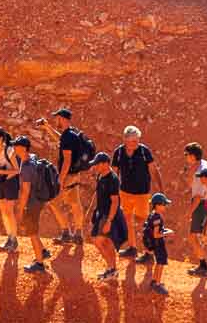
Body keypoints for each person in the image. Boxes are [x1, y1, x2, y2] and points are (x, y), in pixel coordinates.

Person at [38, 107, 94, 247]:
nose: (56, 120)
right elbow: (60, 139)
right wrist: (48, 128)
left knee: (53, 202)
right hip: (74, 175)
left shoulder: (68, 136)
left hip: (68, 176)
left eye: (57, 118)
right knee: (75, 204)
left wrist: (60, 180)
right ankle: (78, 234)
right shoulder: (71, 133)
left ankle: (66, 233)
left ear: (62, 118)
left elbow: (67, 160)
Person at [111, 126, 160, 259]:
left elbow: (153, 170)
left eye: (137, 141)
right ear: (125, 140)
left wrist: (160, 189)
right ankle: (132, 248)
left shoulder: (144, 151)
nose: (135, 144)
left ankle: (149, 253)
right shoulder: (119, 152)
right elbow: (114, 173)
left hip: (142, 193)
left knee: (145, 222)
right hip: (125, 192)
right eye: (133, 141)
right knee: (127, 219)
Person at [10, 135, 53, 273]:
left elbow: (25, 191)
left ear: (22, 148)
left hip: (32, 203)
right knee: (33, 229)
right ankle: (43, 251)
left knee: (32, 232)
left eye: (16, 146)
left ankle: (39, 264)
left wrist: (20, 210)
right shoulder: (32, 158)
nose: (14, 148)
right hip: (39, 200)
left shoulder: (26, 167)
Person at [86, 153, 128, 281]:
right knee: (106, 241)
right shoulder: (101, 176)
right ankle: (111, 270)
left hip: (108, 215)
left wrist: (109, 221)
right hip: (101, 213)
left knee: (97, 239)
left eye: (97, 164)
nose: (95, 166)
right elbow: (97, 194)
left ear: (105, 164)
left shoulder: (113, 179)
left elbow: (115, 201)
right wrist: (90, 210)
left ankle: (112, 269)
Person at [183, 144, 207, 277]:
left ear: (193, 156)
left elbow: (199, 196)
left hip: (201, 204)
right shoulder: (201, 164)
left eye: (187, 155)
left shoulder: (201, 171)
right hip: (203, 202)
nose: (185, 157)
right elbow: (191, 185)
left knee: (193, 236)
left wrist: (189, 212)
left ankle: (204, 266)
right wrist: (189, 173)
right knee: (205, 236)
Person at [140, 192, 173, 294]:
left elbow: (156, 230)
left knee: (159, 262)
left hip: (155, 243)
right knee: (160, 263)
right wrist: (168, 233)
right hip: (158, 243)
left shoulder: (153, 215)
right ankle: (157, 284)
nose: (165, 207)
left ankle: (154, 281)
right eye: (164, 204)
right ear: (158, 205)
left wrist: (165, 231)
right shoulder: (157, 218)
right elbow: (156, 235)